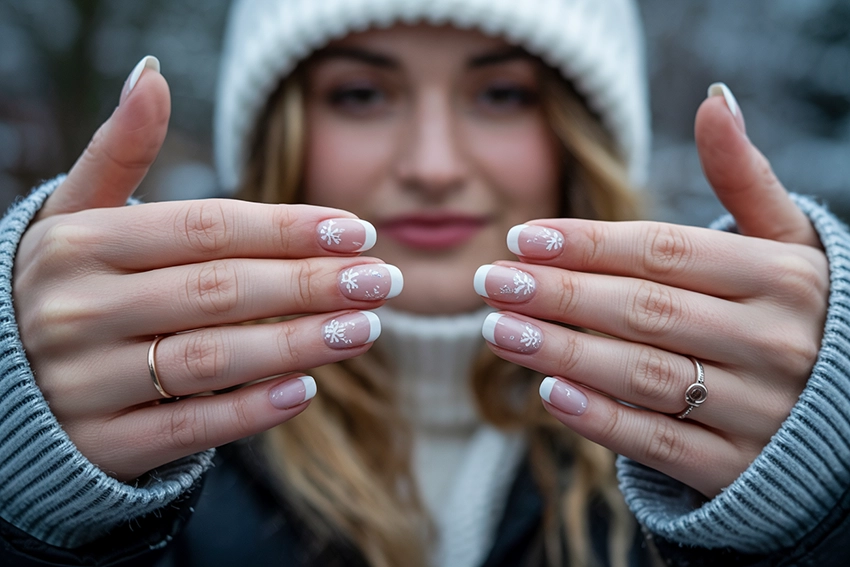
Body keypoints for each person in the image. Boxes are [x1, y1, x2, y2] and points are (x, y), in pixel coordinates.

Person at [1, 0, 848, 565]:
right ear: (280, 132)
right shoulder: (145, 456)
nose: (433, 166)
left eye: (502, 93)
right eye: (362, 94)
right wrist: (36, 486)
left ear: (578, 135)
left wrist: (813, 497)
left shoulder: (715, 460)